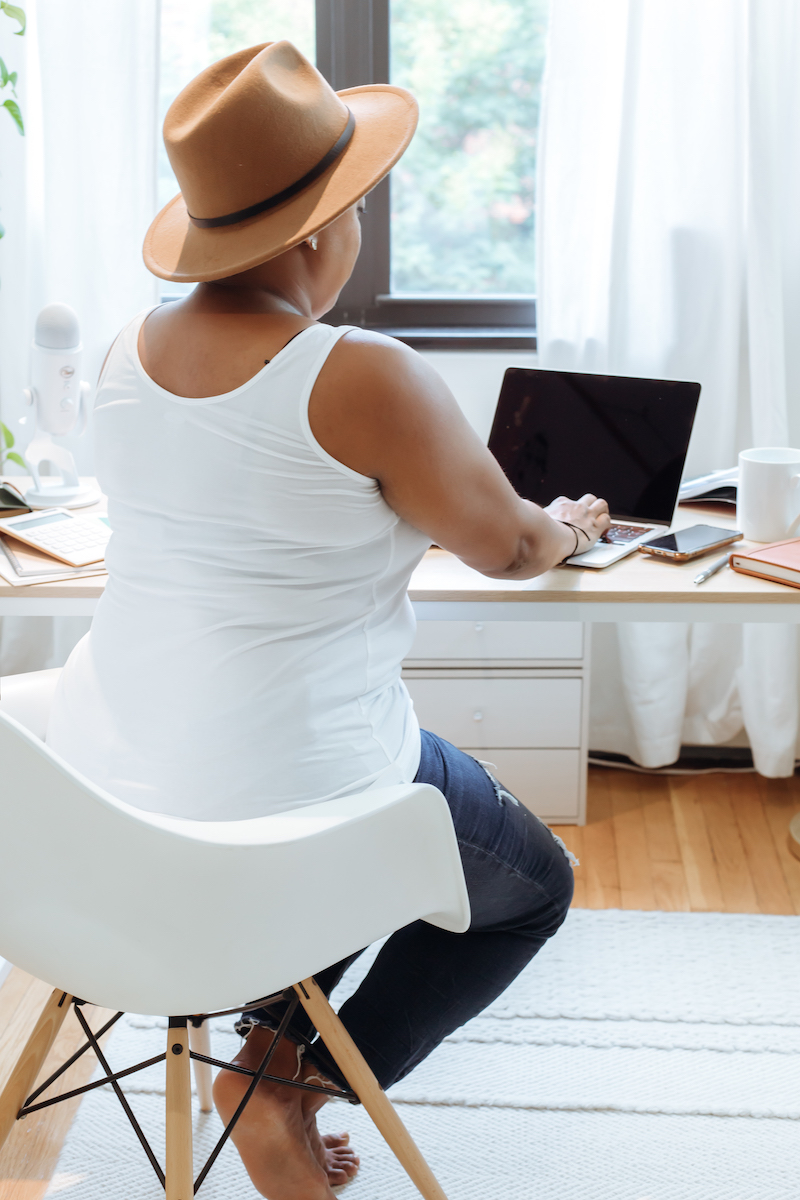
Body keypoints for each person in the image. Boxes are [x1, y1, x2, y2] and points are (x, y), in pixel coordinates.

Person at [47, 41, 611, 1200]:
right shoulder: (363, 371)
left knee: (295, 795)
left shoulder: (117, 353)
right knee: (527, 888)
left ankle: (265, 1039)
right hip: (296, 805)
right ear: (315, 233)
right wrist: (566, 524)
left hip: (106, 805)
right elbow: (503, 545)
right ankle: (289, 1075)